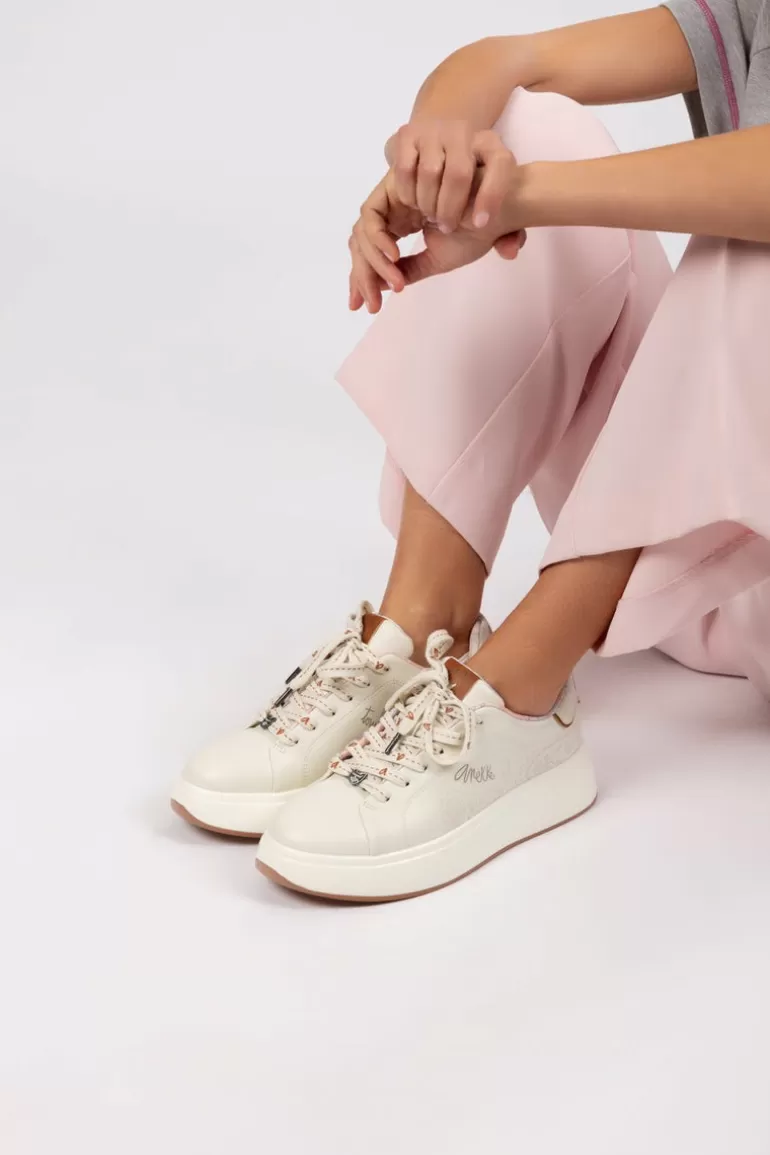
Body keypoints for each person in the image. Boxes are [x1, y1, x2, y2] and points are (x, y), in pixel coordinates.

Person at [171, 2, 770, 901]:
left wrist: (513, 200)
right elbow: (503, 60)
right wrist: (441, 168)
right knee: (532, 126)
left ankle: (521, 692)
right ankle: (421, 629)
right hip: (708, 560)